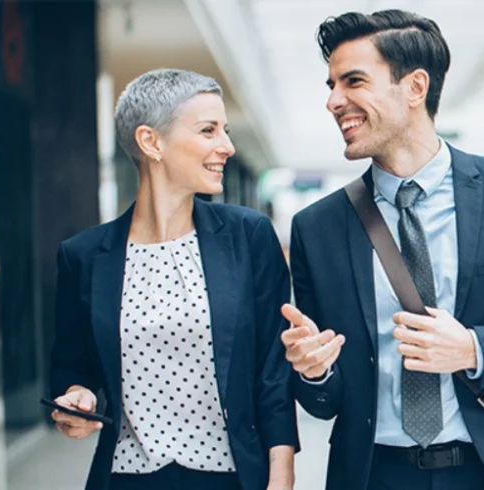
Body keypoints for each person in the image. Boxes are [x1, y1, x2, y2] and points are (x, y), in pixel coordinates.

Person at [280, 10, 484, 490]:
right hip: (373, 475)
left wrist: (474, 348)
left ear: (415, 87)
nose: (334, 101)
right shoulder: (318, 228)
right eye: (330, 85)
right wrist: (313, 373)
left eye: (353, 81)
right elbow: (323, 402)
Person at [49, 68, 298, 490]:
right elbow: (72, 369)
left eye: (225, 130)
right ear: (151, 142)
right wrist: (77, 400)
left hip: (232, 478)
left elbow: (272, 375)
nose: (227, 146)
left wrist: (282, 478)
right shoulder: (84, 256)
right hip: (125, 478)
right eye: (208, 130)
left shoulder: (248, 237)